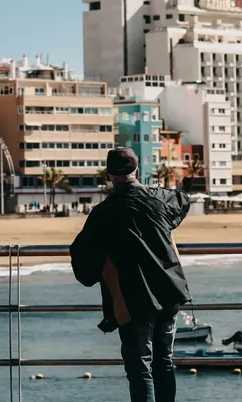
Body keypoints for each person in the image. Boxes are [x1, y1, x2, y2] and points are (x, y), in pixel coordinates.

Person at [70, 148, 191, 402]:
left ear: (109, 175)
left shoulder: (102, 214)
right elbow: (183, 199)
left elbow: (83, 263)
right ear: (137, 171)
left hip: (133, 298)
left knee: (140, 370)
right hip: (169, 291)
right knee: (165, 362)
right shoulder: (159, 198)